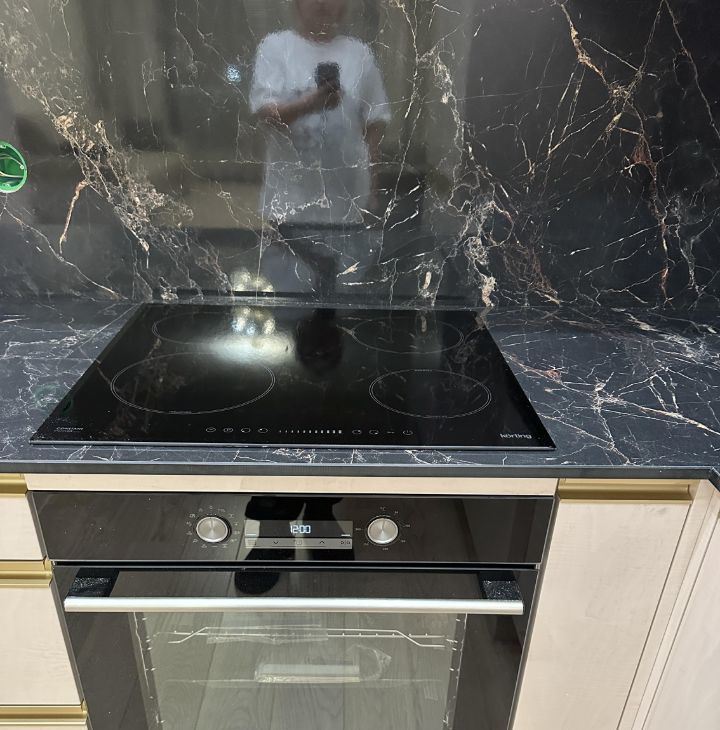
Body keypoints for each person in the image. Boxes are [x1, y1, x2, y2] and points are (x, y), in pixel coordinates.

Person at [250, 0, 390, 229]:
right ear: (297, 4)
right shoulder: (276, 47)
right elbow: (265, 113)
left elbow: (375, 125)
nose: (322, 3)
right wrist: (310, 104)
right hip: (288, 203)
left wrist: (373, 193)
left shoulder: (360, 54)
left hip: (347, 202)